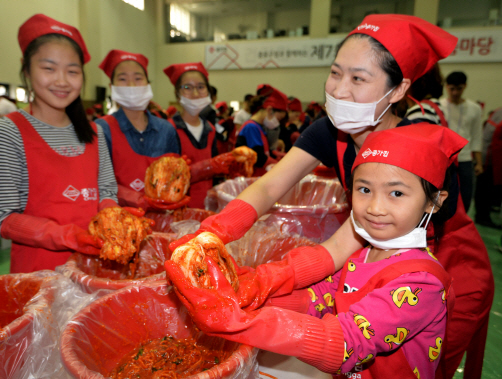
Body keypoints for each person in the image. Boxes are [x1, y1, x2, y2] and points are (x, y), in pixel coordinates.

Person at [169, 14, 493, 379]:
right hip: (375, 264)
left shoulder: (421, 152)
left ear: (399, 89)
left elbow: (347, 336)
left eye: (358, 78)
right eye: (336, 73)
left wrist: (243, 316)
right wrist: (216, 235)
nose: (339, 90)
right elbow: (272, 187)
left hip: (446, 270)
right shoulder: (331, 133)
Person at [167, 123, 466, 379]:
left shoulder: (422, 283)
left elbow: (347, 341)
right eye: (364, 190)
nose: (375, 207)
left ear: (434, 202)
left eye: (396, 193)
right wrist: (254, 292)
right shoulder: (366, 253)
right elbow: (322, 298)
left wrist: (239, 321)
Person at [0, 14, 123, 273]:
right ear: (26, 70)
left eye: (72, 71)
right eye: (48, 68)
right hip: (39, 276)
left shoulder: (93, 131)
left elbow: (106, 191)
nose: (61, 80)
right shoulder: (7, 132)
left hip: (95, 269)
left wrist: (113, 217)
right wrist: (66, 236)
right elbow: (1, 219)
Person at [95, 50, 181, 209]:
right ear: (111, 87)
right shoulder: (101, 129)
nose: (132, 85)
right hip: (119, 221)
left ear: (148, 84)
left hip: (162, 219)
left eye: (138, 78)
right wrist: (140, 199)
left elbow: (175, 177)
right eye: (122, 79)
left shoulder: (166, 130)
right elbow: (97, 182)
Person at [163, 62, 238, 209]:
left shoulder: (209, 128)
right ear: (177, 95)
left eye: (201, 87)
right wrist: (209, 166)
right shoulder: (169, 129)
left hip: (207, 207)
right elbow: (168, 178)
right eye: (187, 88)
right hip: (178, 210)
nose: (196, 94)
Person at [440, 71, 483, 212]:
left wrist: (479, 162)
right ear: (446, 87)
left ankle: (461, 227)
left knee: (465, 196)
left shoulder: (474, 108)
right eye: (451, 89)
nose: (455, 92)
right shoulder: (439, 105)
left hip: (465, 158)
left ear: (465, 87)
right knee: (443, 195)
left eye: (459, 89)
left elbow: (476, 135)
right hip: (444, 157)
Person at [235, 84, 288, 176]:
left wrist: (278, 155)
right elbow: (258, 158)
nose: (277, 123)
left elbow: (265, 151)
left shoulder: (259, 127)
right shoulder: (251, 127)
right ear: (269, 110)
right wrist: (279, 165)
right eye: (278, 119)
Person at [474, 108, 502, 228]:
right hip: (490, 157)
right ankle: (482, 216)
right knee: (485, 188)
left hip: (488, 155)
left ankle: (483, 214)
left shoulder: (498, 111)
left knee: (485, 188)